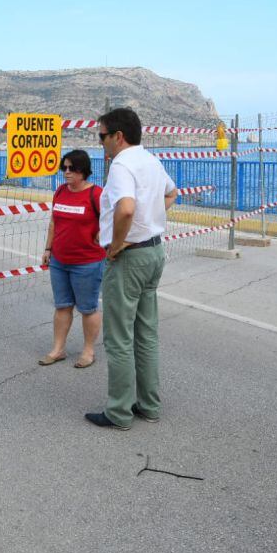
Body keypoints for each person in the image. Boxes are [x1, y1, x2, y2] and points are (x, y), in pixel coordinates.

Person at [85, 108, 178, 430]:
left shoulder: (122, 165)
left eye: (101, 136)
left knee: (119, 338)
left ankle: (119, 412)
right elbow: (171, 193)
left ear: (118, 136)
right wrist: (146, 221)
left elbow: (125, 209)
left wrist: (117, 243)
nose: (100, 143)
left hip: (130, 258)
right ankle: (149, 405)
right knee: (146, 334)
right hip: (154, 252)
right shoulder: (151, 160)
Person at [38, 150, 106, 369]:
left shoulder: (95, 194)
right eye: (64, 168)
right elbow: (53, 223)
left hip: (87, 262)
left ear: (83, 171)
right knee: (62, 306)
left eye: (71, 168)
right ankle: (58, 349)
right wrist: (48, 249)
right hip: (59, 261)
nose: (66, 173)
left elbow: (114, 218)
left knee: (87, 308)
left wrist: (102, 234)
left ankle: (88, 351)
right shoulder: (60, 191)